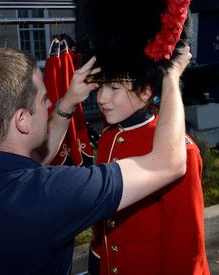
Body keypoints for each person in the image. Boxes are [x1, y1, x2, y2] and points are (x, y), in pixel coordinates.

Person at [0, 47, 189, 274]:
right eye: (43, 100)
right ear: (22, 120)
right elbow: (169, 163)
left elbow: (36, 156)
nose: (51, 103)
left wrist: (69, 101)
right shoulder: (50, 194)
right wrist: (170, 76)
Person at [88, 71, 210, 275]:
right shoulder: (108, 137)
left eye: (115, 87)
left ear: (146, 91)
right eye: (100, 87)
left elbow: (185, 241)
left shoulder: (178, 150)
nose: (101, 98)